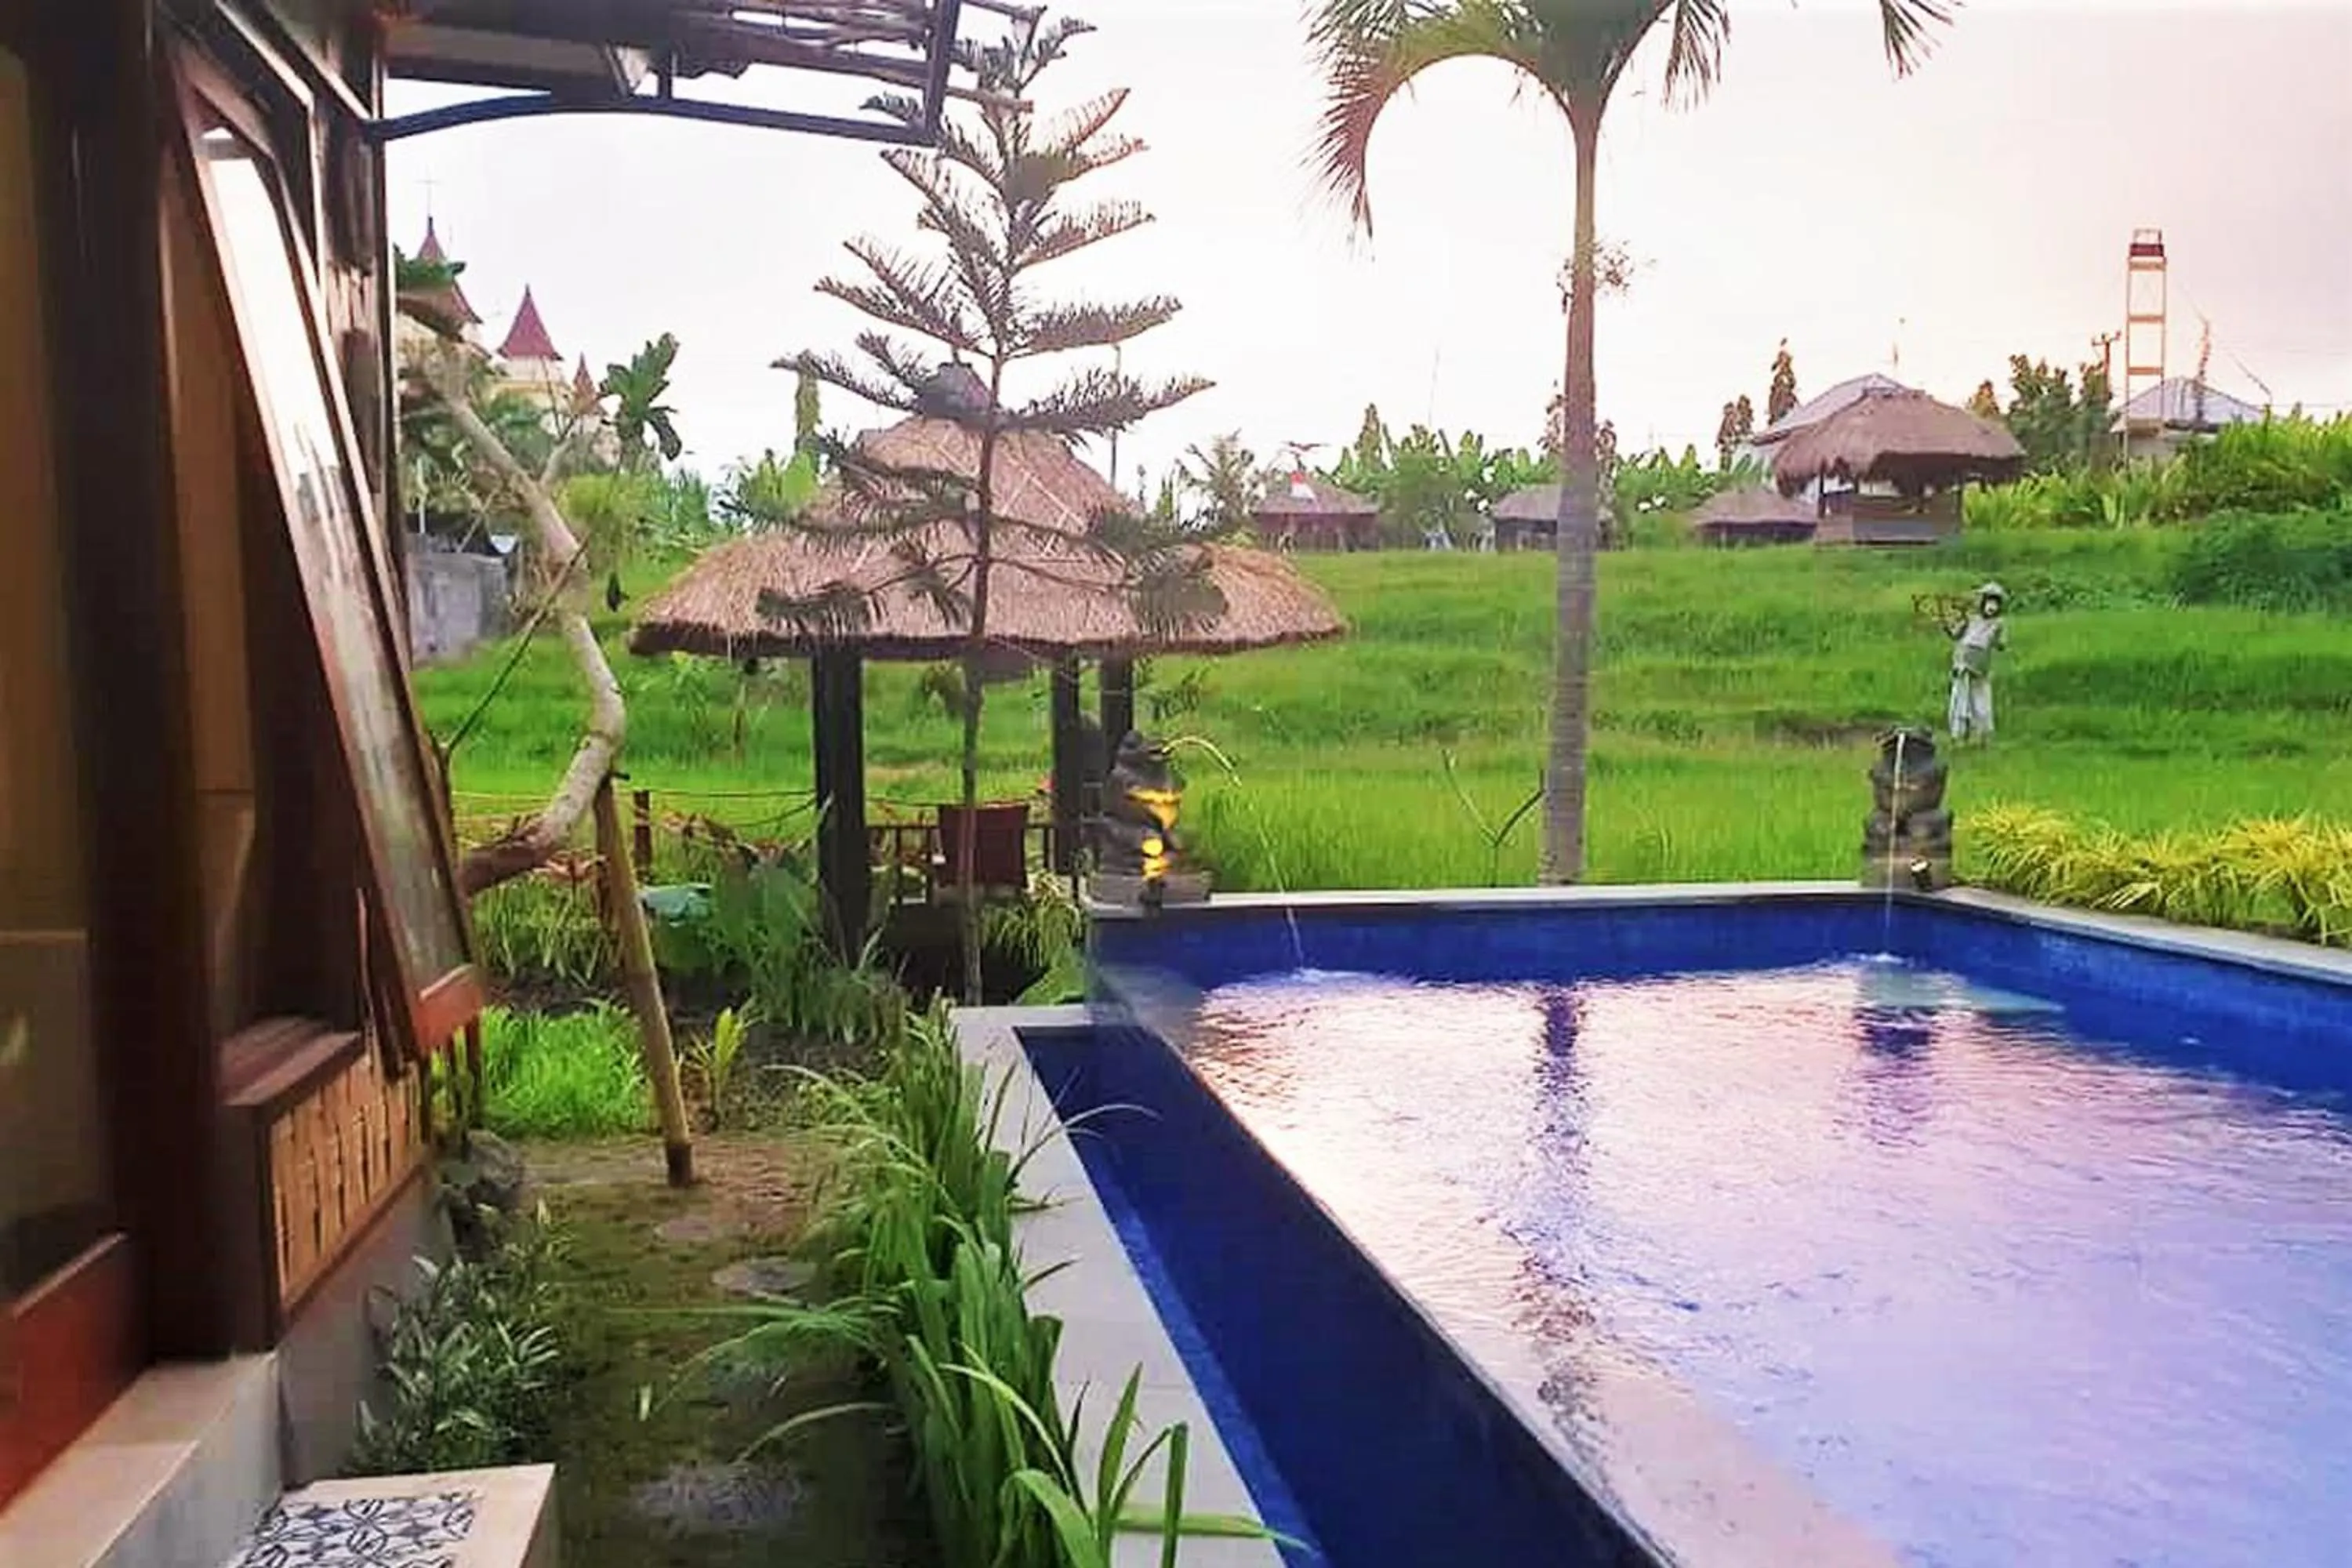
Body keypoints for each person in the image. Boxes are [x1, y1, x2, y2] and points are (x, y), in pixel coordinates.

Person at [1944, 581, 2008, 742]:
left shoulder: (1999, 624)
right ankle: (1959, 734)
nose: (1991, 605)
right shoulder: (1971, 619)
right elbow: (1956, 635)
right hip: (1962, 664)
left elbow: (2001, 645)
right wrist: (1948, 626)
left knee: (1980, 702)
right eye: (1988, 600)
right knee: (1959, 700)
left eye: (1995, 602)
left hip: (1980, 668)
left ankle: (1982, 735)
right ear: (1983, 602)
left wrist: (1995, 639)